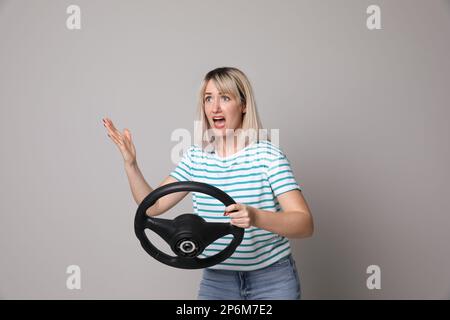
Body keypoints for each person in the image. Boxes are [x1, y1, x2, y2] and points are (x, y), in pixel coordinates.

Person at [102, 67, 314, 300]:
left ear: (243, 105)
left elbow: (304, 224)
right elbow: (152, 207)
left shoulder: (268, 156)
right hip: (217, 279)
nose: (215, 108)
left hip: (272, 280)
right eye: (208, 99)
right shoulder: (196, 158)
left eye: (225, 97)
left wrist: (255, 217)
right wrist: (131, 164)